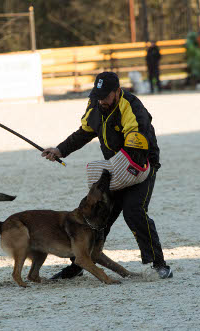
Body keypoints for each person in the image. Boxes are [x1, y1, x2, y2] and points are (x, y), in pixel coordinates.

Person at [42, 71, 173, 279]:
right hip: (114, 167)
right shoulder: (95, 104)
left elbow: (136, 144)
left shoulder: (132, 107)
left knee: (134, 211)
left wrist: (119, 172)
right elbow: (84, 132)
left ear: (117, 91)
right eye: (98, 95)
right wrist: (60, 150)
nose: (102, 100)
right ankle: (79, 263)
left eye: (106, 96)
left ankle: (158, 264)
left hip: (141, 165)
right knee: (93, 214)